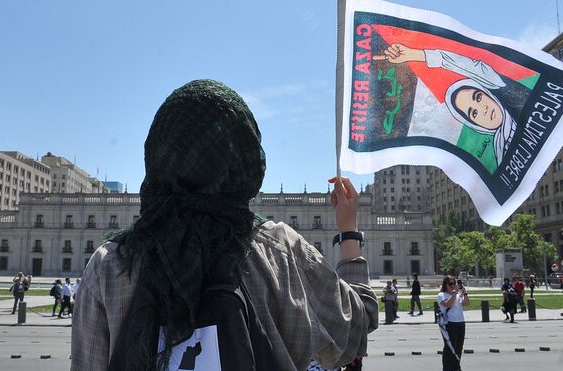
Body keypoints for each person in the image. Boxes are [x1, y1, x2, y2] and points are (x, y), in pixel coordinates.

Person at [71, 80, 378, 370]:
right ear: (245, 159)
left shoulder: (110, 266)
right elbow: (356, 328)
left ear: (158, 154)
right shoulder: (280, 253)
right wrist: (348, 233)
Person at [374, 44, 518, 166]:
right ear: (474, 124)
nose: (483, 109)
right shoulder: (500, 155)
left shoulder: (508, 90)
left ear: (487, 92)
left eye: (478, 97)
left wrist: (415, 54)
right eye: (473, 113)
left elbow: (467, 66)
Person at [437, 275, 470, 371]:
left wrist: (464, 293)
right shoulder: (441, 295)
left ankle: (456, 366)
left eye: (454, 283)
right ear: (445, 285)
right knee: (450, 347)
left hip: (460, 322)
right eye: (450, 284)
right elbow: (448, 304)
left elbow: (466, 303)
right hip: (449, 323)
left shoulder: (458, 294)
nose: (453, 286)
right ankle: (447, 368)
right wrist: (454, 293)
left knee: (459, 346)